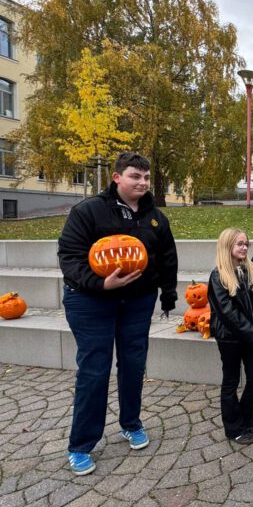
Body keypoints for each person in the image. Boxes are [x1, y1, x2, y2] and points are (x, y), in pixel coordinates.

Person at [58, 152, 178, 476]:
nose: (141, 182)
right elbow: (69, 256)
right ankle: (81, 445)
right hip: (91, 301)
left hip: (137, 302)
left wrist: (168, 294)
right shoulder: (88, 211)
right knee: (94, 371)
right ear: (116, 178)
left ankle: (131, 423)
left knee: (133, 364)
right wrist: (100, 283)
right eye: (134, 176)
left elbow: (168, 257)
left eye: (145, 177)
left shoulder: (154, 217)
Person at [208, 228, 253, 444]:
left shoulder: (251, 270)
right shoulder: (218, 275)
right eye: (239, 244)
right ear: (227, 247)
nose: (244, 248)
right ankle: (233, 428)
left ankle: (246, 418)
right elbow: (228, 313)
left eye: (246, 244)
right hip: (230, 339)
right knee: (231, 381)